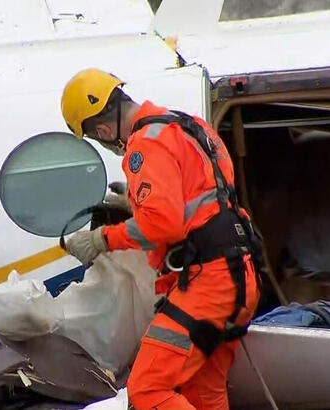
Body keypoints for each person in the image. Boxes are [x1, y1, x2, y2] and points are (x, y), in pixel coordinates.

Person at [60, 68, 261, 409]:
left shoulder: (145, 145)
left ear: (104, 130)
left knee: (147, 389)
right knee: (202, 391)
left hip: (207, 285)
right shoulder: (188, 126)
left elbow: (163, 226)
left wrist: (101, 240)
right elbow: (210, 191)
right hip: (240, 276)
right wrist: (137, 199)